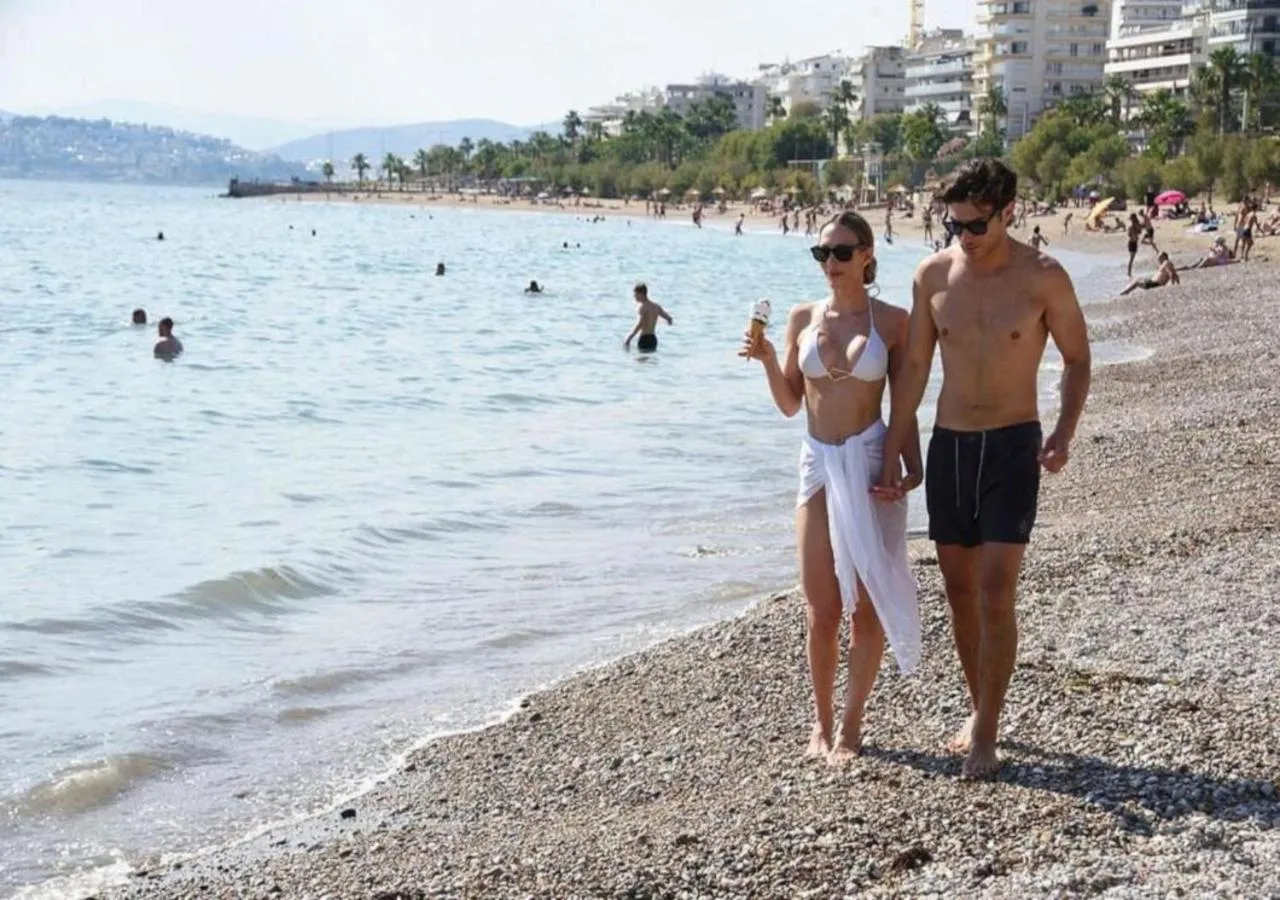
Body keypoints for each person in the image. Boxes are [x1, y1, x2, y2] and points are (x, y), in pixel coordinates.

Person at [879, 158, 1091, 779]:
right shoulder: (933, 274)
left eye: (975, 225)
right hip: (950, 444)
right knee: (959, 592)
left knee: (997, 590)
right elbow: (914, 368)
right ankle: (980, 709)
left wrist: (1063, 432)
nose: (962, 236)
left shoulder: (1043, 278)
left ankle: (987, 735)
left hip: (1011, 445)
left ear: (1008, 213)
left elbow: (1078, 359)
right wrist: (897, 441)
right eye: (953, 224)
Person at [741, 211, 921, 761]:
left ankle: (851, 725)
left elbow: (905, 404)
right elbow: (791, 404)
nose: (832, 264)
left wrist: (911, 469)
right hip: (817, 461)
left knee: (866, 609)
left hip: (869, 461)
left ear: (867, 255)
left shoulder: (893, 322)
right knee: (820, 609)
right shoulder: (801, 318)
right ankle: (819, 723)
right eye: (823, 254)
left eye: (842, 253)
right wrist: (772, 359)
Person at [623, 283, 672, 352]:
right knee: (651, 361)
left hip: (644, 339)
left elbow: (639, 324)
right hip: (653, 339)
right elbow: (669, 318)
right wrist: (669, 322)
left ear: (641, 294)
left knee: (641, 361)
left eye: (636, 294)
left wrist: (629, 338)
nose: (634, 297)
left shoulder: (643, 307)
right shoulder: (656, 306)